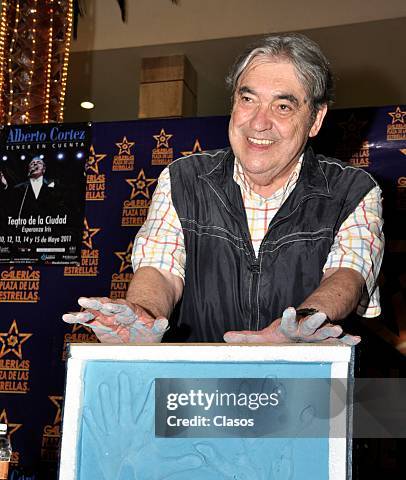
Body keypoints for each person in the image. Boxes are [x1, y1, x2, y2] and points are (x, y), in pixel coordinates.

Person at [63, 33, 384, 346]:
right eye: (248, 99)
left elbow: (347, 275)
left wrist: (302, 324)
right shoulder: (183, 179)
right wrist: (144, 313)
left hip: (304, 389)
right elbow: (160, 270)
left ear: (316, 119)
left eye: (283, 107)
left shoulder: (352, 191)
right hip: (195, 390)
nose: (259, 122)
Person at [2, 157, 67, 220]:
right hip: (26, 225)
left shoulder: (52, 184)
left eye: (39, 162)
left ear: (44, 169)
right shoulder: (19, 188)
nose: (35, 164)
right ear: (29, 169)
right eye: (32, 163)